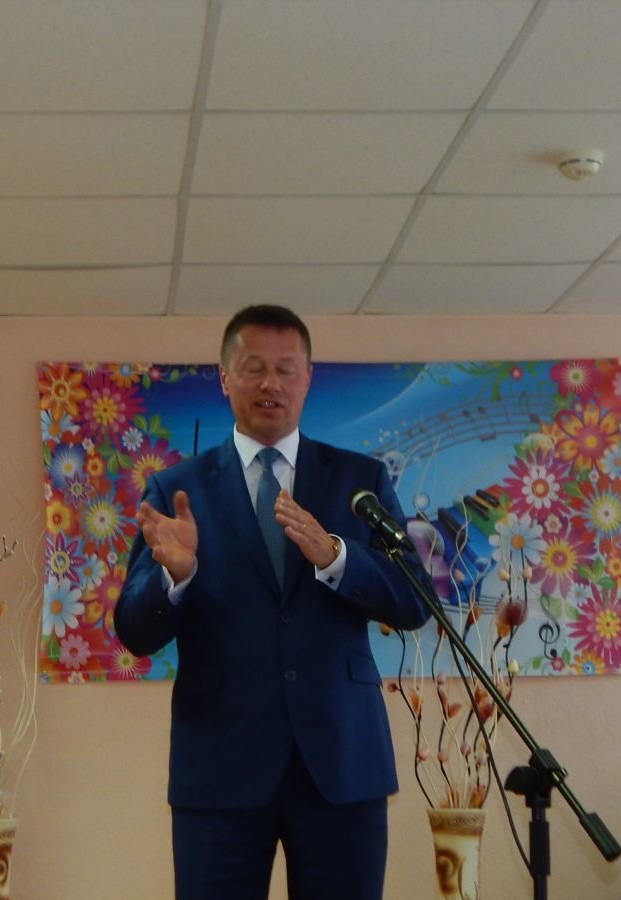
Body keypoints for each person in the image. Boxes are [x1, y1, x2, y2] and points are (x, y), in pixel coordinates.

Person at [114, 304, 433, 900]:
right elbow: (134, 631)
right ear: (224, 377)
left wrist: (336, 557)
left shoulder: (359, 480)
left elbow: (414, 603)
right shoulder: (176, 489)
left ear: (308, 378)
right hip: (220, 769)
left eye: (287, 369)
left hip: (341, 761)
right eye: (254, 367)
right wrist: (176, 577)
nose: (271, 383)